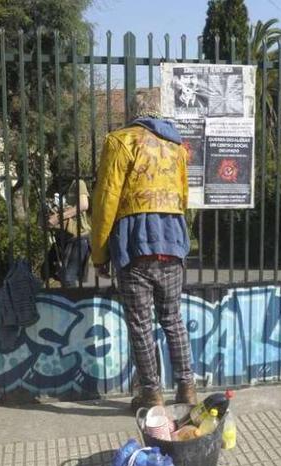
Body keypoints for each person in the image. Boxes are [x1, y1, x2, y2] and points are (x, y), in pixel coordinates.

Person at [90, 93, 195, 411]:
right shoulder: (176, 148)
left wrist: (99, 253)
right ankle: (187, 388)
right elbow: (184, 196)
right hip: (172, 243)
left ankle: (152, 395)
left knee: (140, 325)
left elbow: (106, 200)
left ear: (133, 115)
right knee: (173, 319)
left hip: (135, 247)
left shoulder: (120, 141)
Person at [48, 179, 91, 287]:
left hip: (78, 236)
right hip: (61, 237)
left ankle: (74, 302)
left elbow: (84, 205)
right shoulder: (54, 186)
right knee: (48, 272)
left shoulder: (77, 183)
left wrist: (58, 218)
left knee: (68, 278)